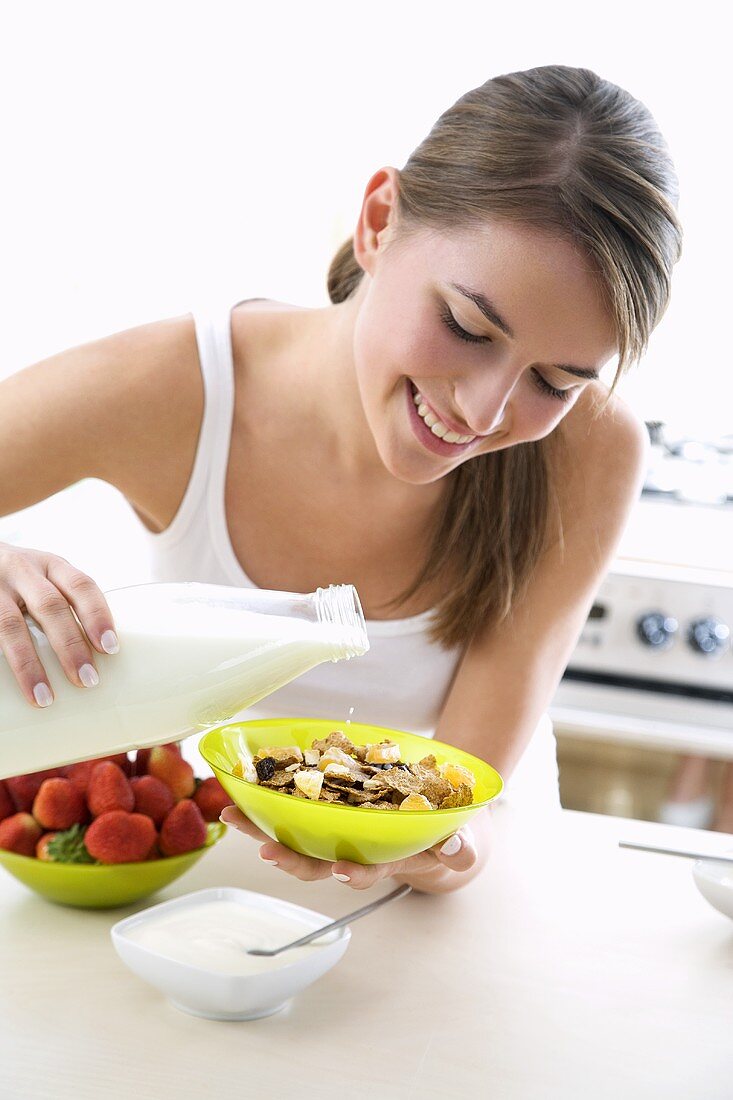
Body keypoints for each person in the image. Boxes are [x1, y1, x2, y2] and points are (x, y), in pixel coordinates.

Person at [0, 65, 682, 894]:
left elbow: (462, 799)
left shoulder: (590, 451)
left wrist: (443, 847)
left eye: (554, 382)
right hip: (225, 889)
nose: (482, 410)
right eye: (467, 325)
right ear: (379, 222)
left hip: (463, 920)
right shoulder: (179, 385)